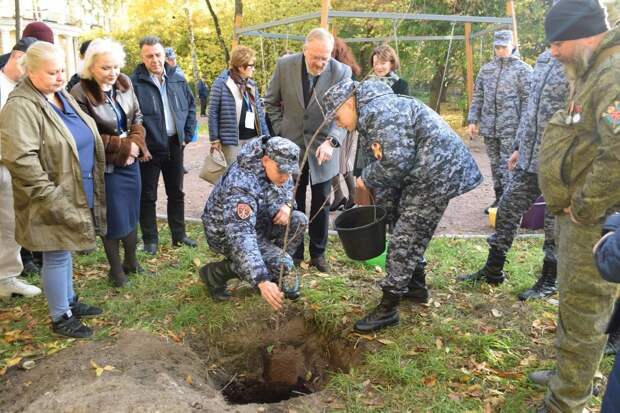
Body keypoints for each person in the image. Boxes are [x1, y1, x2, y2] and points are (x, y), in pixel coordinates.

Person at [322, 79, 482, 332]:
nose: (338, 123)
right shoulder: (372, 112)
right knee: (401, 226)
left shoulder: (379, 112)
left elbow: (396, 163)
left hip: (436, 173)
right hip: (421, 172)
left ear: (349, 103)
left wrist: (366, 179)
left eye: (337, 115)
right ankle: (415, 288)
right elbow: (390, 163)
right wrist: (384, 211)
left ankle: (389, 306)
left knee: (405, 239)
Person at [533, 1, 620, 411]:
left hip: (595, 219)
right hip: (581, 215)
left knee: (584, 310)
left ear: (585, 33)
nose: (553, 52)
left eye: (558, 43)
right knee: (573, 303)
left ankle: (566, 401)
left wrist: (584, 206)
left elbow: (618, 154)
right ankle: (569, 374)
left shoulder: (613, 72)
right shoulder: (593, 65)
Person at [0, 41, 106, 338]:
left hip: (72, 186)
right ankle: (61, 317)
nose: (60, 77)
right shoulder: (20, 106)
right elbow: (20, 159)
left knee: (66, 247)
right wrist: (51, 195)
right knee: (56, 253)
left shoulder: (60, 95)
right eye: (51, 72)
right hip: (47, 194)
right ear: (29, 71)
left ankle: (69, 300)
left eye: (62, 70)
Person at [458, 47, 568, 296]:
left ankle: (550, 279)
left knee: (554, 223)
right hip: (529, 157)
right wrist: (519, 146)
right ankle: (493, 269)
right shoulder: (543, 59)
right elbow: (530, 109)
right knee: (507, 208)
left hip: (559, 161)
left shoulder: (584, 61)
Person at [264, 28, 352, 273]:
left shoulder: (341, 71)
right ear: (305, 51)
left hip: (324, 148)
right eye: (316, 57)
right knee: (294, 200)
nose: (321, 63)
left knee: (322, 202)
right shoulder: (285, 66)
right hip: (292, 147)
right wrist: (281, 130)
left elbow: (344, 113)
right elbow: (270, 101)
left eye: (325, 57)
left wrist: (333, 141)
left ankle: (318, 253)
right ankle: (295, 250)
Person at [70, 38, 152, 287]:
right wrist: (124, 147)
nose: (113, 73)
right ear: (91, 67)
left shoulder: (125, 83)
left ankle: (132, 262)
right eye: (106, 68)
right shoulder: (79, 92)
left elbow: (137, 116)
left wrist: (135, 145)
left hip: (131, 163)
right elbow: (85, 134)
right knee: (113, 218)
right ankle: (115, 271)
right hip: (105, 167)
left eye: (116, 66)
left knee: (130, 213)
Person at [200, 136, 308, 310]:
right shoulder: (241, 182)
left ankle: (273, 271)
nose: (286, 177)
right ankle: (215, 273)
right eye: (282, 172)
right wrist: (261, 279)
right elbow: (241, 236)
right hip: (226, 234)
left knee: (299, 220)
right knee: (283, 263)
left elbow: (288, 190)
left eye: (290, 172)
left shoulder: (279, 167)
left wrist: (288, 206)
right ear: (265, 160)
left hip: (259, 223)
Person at [131, 36, 197, 255]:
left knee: (176, 192)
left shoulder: (177, 78)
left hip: (175, 144)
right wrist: (139, 143)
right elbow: (130, 116)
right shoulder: (134, 83)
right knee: (147, 196)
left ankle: (179, 236)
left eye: (158, 55)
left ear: (164, 55)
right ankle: (150, 240)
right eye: (149, 56)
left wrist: (186, 134)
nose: (155, 60)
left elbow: (190, 107)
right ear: (142, 57)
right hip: (149, 148)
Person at [467, 30, 532, 214]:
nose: (500, 50)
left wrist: (524, 129)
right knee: (495, 166)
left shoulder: (524, 70)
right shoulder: (487, 70)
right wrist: (473, 120)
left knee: (509, 167)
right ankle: (498, 200)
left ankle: (510, 205)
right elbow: (478, 96)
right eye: (497, 47)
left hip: (512, 129)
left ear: (513, 46)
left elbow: (529, 103)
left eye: (504, 47)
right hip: (489, 128)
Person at [0, 36, 41, 298]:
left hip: (12, 169)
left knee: (9, 222)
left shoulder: (23, 89)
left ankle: (6, 277)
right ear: (17, 58)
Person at [208, 46, 269, 167]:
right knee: (233, 175)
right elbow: (213, 112)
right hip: (232, 142)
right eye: (251, 65)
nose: (253, 69)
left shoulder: (251, 84)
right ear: (241, 67)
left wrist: (266, 137)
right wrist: (214, 139)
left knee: (253, 174)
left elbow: (259, 114)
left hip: (253, 138)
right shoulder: (221, 83)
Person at [329, 37, 361, 212]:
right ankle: (339, 194)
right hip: (331, 119)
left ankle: (354, 195)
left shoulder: (346, 72)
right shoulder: (330, 70)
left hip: (345, 121)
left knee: (344, 161)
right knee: (331, 160)